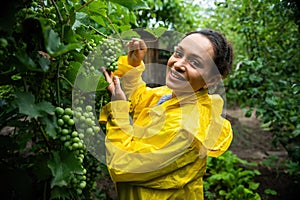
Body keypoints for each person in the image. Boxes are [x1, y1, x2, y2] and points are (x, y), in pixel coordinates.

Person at [99, 28, 234, 200]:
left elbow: (122, 166)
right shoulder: (173, 95)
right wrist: (132, 67)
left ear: (212, 80)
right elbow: (141, 101)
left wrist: (118, 109)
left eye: (195, 63)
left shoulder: (185, 130)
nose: (178, 64)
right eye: (178, 53)